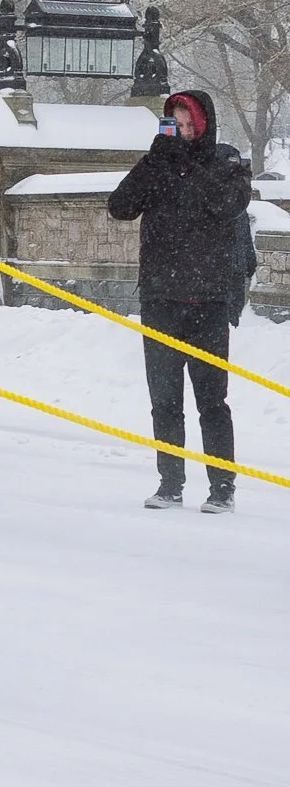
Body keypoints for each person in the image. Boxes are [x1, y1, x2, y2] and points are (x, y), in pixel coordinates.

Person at [107, 90, 252, 513]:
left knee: (212, 401)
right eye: (176, 124)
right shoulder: (159, 163)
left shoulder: (226, 162)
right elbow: (120, 207)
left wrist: (189, 165)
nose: (184, 132)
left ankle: (222, 487)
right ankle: (170, 483)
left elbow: (227, 205)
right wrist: (154, 162)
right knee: (165, 401)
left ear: (204, 125)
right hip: (161, 299)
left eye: (190, 125)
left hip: (208, 301)